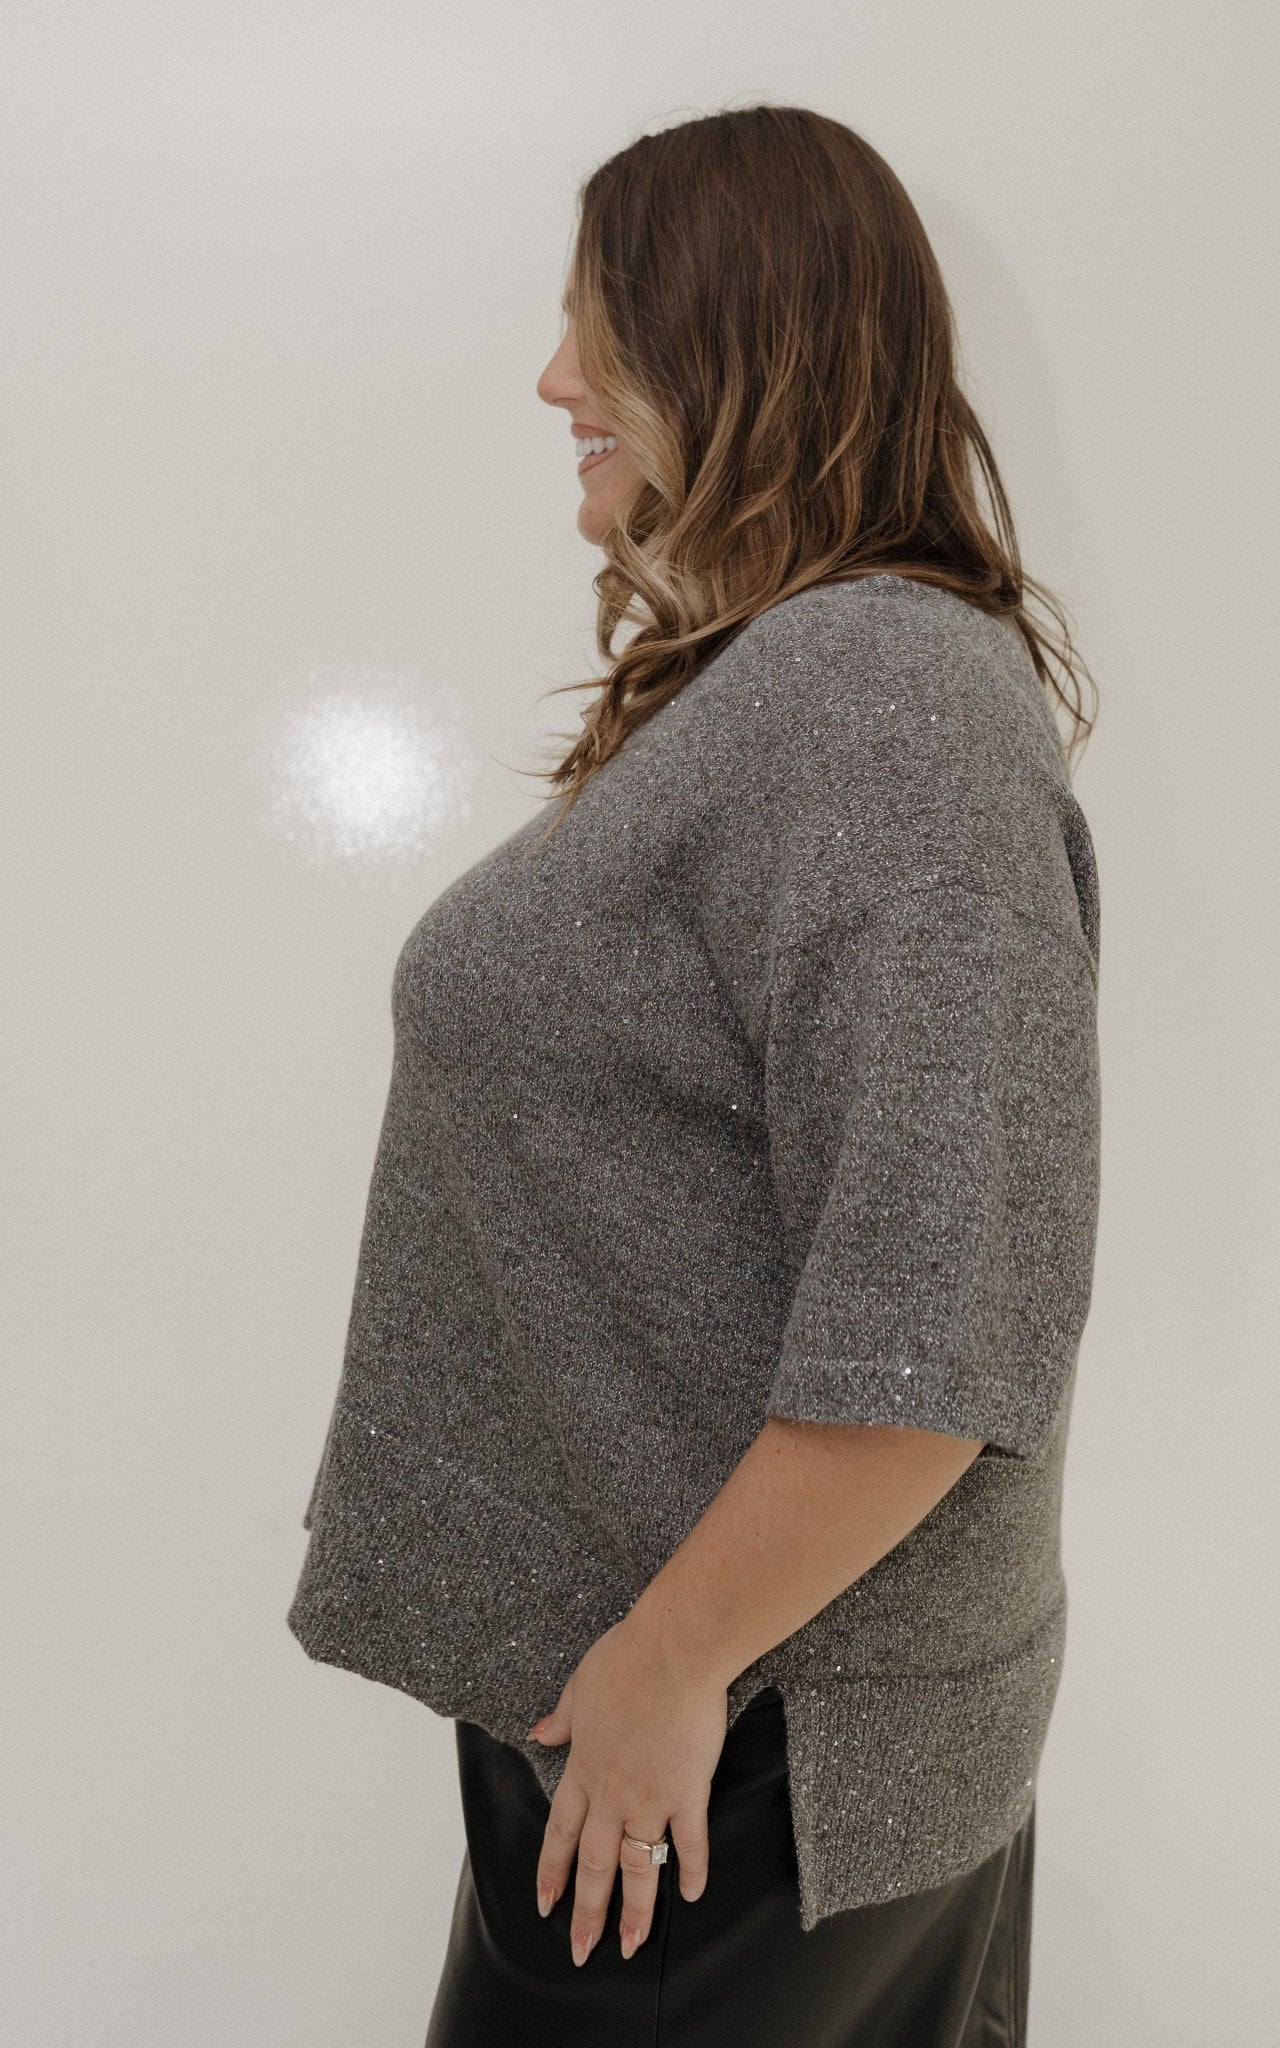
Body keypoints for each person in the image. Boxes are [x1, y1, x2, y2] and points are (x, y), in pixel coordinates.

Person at [288, 103, 1102, 2047]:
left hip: (744, 1743)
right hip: (703, 1708)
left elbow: (935, 1327)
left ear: (731, 336)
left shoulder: (885, 707)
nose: (553, 378)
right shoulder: (794, 688)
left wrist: (668, 1661)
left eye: (597, 322)